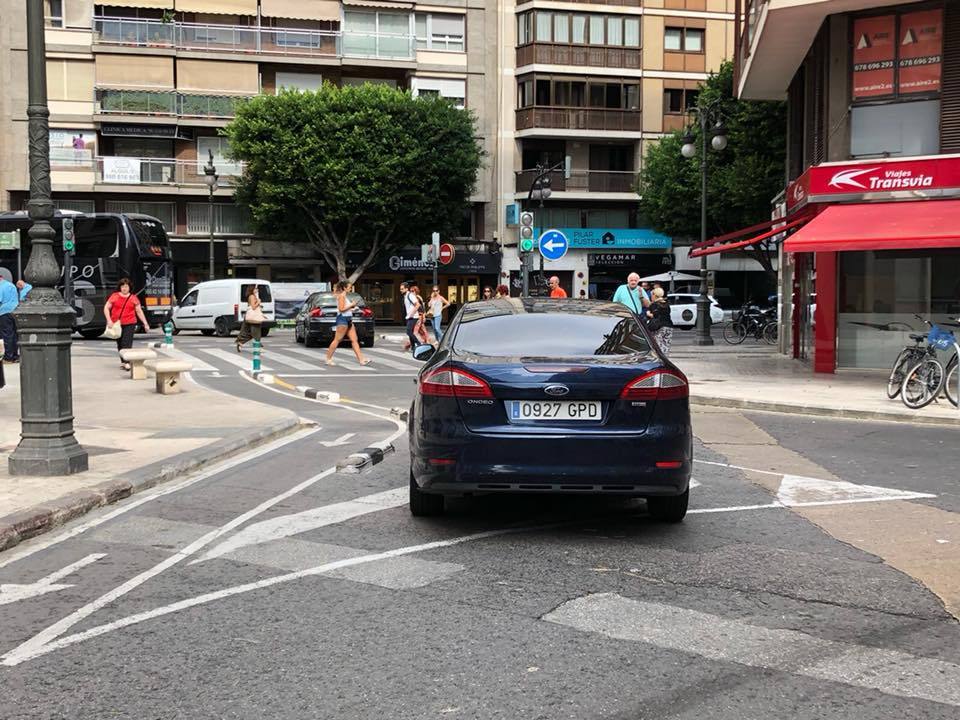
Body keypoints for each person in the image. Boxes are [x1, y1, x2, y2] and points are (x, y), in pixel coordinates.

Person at [104, 277, 150, 370]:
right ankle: (123, 361)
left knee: (126, 343)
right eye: (122, 286)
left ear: (129, 287)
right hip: (116, 323)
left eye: (126, 286)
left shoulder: (133, 298)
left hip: (130, 323)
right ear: (120, 287)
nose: (124, 288)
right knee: (120, 343)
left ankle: (127, 362)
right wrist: (109, 320)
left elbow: (139, 311)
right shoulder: (115, 296)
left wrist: (145, 323)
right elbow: (106, 308)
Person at [324, 281, 371, 366]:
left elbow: (344, 309)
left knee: (354, 340)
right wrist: (352, 305)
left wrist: (353, 309)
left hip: (348, 319)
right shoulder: (342, 296)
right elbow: (341, 309)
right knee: (337, 340)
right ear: (344, 288)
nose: (351, 288)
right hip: (342, 320)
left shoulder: (345, 296)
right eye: (349, 287)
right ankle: (328, 358)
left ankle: (361, 360)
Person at [646, 287, 674, 356]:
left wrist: (648, 314)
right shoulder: (666, 304)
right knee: (666, 346)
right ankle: (665, 360)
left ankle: (660, 361)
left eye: (651, 295)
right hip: (669, 327)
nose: (651, 297)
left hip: (659, 327)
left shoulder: (654, 305)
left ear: (655, 295)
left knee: (658, 347)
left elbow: (655, 315)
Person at [236, 285, 264, 352]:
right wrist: (258, 302)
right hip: (253, 317)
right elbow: (253, 307)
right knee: (255, 332)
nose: (257, 290)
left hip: (251, 316)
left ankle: (240, 342)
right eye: (255, 288)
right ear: (252, 289)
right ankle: (258, 347)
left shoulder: (254, 296)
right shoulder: (251, 296)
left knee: (249, 331)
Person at [0, 271, 19, 364]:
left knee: (7, 335)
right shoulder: (11, 285)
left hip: (5, 312)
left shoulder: (0, 286)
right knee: (14, 334)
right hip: (15, 311)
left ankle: (8, 357)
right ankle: (15, 356)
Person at [401, 281, 420, 352]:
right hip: (409, 317)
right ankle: (413, 347)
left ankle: (419, 344)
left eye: (402, 289)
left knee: (408, 332)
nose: (401, 290)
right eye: (400, 289)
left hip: (413, 317)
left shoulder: (410, 295)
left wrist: (411, 314)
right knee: (410, 332)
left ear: (406, 289)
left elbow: (417, 304)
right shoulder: (405, 296)